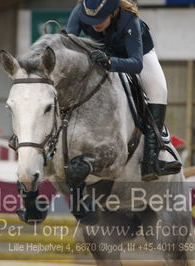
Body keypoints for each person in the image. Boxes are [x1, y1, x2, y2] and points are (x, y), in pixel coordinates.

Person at [66, 0, 182, 181]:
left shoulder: (129, 19)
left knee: (159, 91)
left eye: (100, 18)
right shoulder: (81, 12)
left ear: (113, 12)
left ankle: (152, 159)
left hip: (137, 56)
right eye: (91, 19)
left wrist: (110, 63)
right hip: (102, 54)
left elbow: (136, 64)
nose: (95, 23)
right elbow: (68, 45)